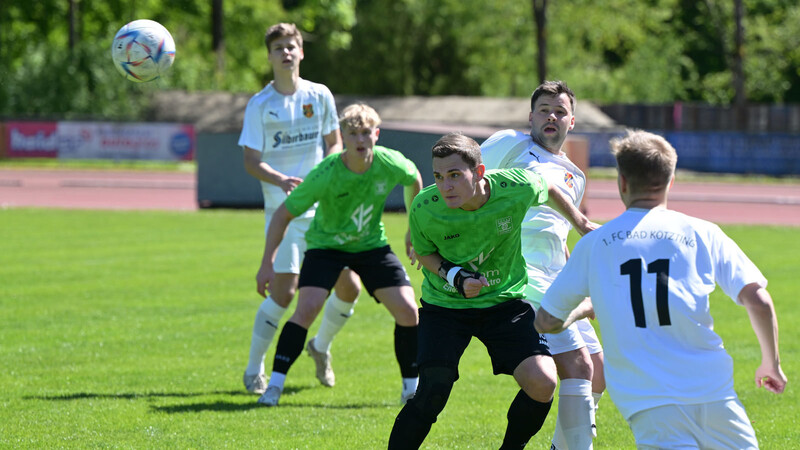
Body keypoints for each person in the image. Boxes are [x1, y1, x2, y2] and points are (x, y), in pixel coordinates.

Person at [535, 130, 787, 448]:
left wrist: (586, 308)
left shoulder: (596, 244)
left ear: (622, 183)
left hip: (648, 401)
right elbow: (759, 300)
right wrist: (771, 363)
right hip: (714, 393)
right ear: (670, 181)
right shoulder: (704, 232)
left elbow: (547, 320)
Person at [389, 132, 596, 449]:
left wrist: (581, 223)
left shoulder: (514, 186)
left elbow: (549, 188)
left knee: (542, 383)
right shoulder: (425, 206)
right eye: (439, 176)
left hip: (505, 304)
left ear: (480, 172)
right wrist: (456, 276)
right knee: (433, 390)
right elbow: (424, 253)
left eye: (455, 175)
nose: (445, 186)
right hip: (446, 307)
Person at [257, 103, 423, 406]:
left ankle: (411, 390)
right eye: (352, 133)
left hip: (371, 245)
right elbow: (282, 215)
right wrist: (267, 263)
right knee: (306, 309)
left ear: (377, 134)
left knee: (409, 311)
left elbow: (414, 180)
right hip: (326, 247)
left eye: (365, 133)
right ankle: (274, 386)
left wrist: (414, 228)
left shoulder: (390, 163)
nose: (360, 140)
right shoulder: (326, 173)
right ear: (342, 137)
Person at [238, 22, 361, 395]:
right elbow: (250, 160)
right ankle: (254, 367)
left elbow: (334, 143)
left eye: (292, 46)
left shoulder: (319, 95)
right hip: (285, 211)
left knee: (350, 286)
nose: (286, 52)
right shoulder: (261, 105)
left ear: (301, 52)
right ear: (270, 56)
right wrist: (282, 180)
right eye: (278, 48)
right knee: (284, 293)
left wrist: (326, 177)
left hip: (324, 209)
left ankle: (320, 346)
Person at [481, 80, 604, 450]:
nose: (552, 116)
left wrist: (579, 286)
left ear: (572, 121)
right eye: (544, 109)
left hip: (557, 279)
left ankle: (561, 446)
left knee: (598, 373)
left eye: (560, 111)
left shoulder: (575, 176)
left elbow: (560, 237)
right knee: (579, 367)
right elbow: (464, 181)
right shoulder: (510, 144)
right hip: (521, 275)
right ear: (530, 116)